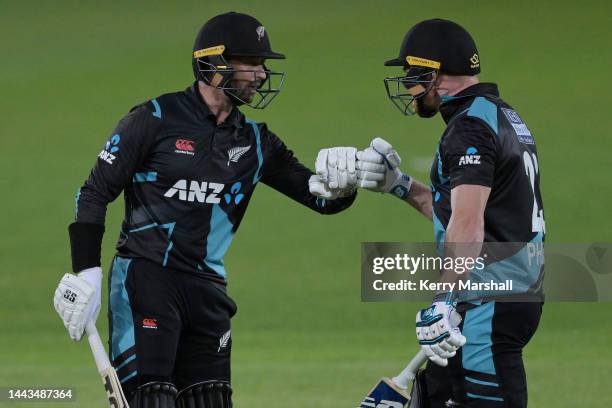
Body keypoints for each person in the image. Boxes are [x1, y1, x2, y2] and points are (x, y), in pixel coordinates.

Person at [52, 12, 356, 408]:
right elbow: (93, 192)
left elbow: (319, 199)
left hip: (208, 292)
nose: (262, 75)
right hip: (147, 282)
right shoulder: (153, 119)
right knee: (152, 398)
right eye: (253, 64)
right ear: (214, 64)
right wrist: (87, 272)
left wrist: (346, 184)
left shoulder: (256, 141)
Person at [318, 18, 545, 408]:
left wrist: (443, 298)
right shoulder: (500, 115)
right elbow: (462, 215)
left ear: (435, 74)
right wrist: (398, 185)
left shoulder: (469, 129)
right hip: (497, 298)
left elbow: (469, 224)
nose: (407, 86)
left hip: (487, 303)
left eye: (412, 75)